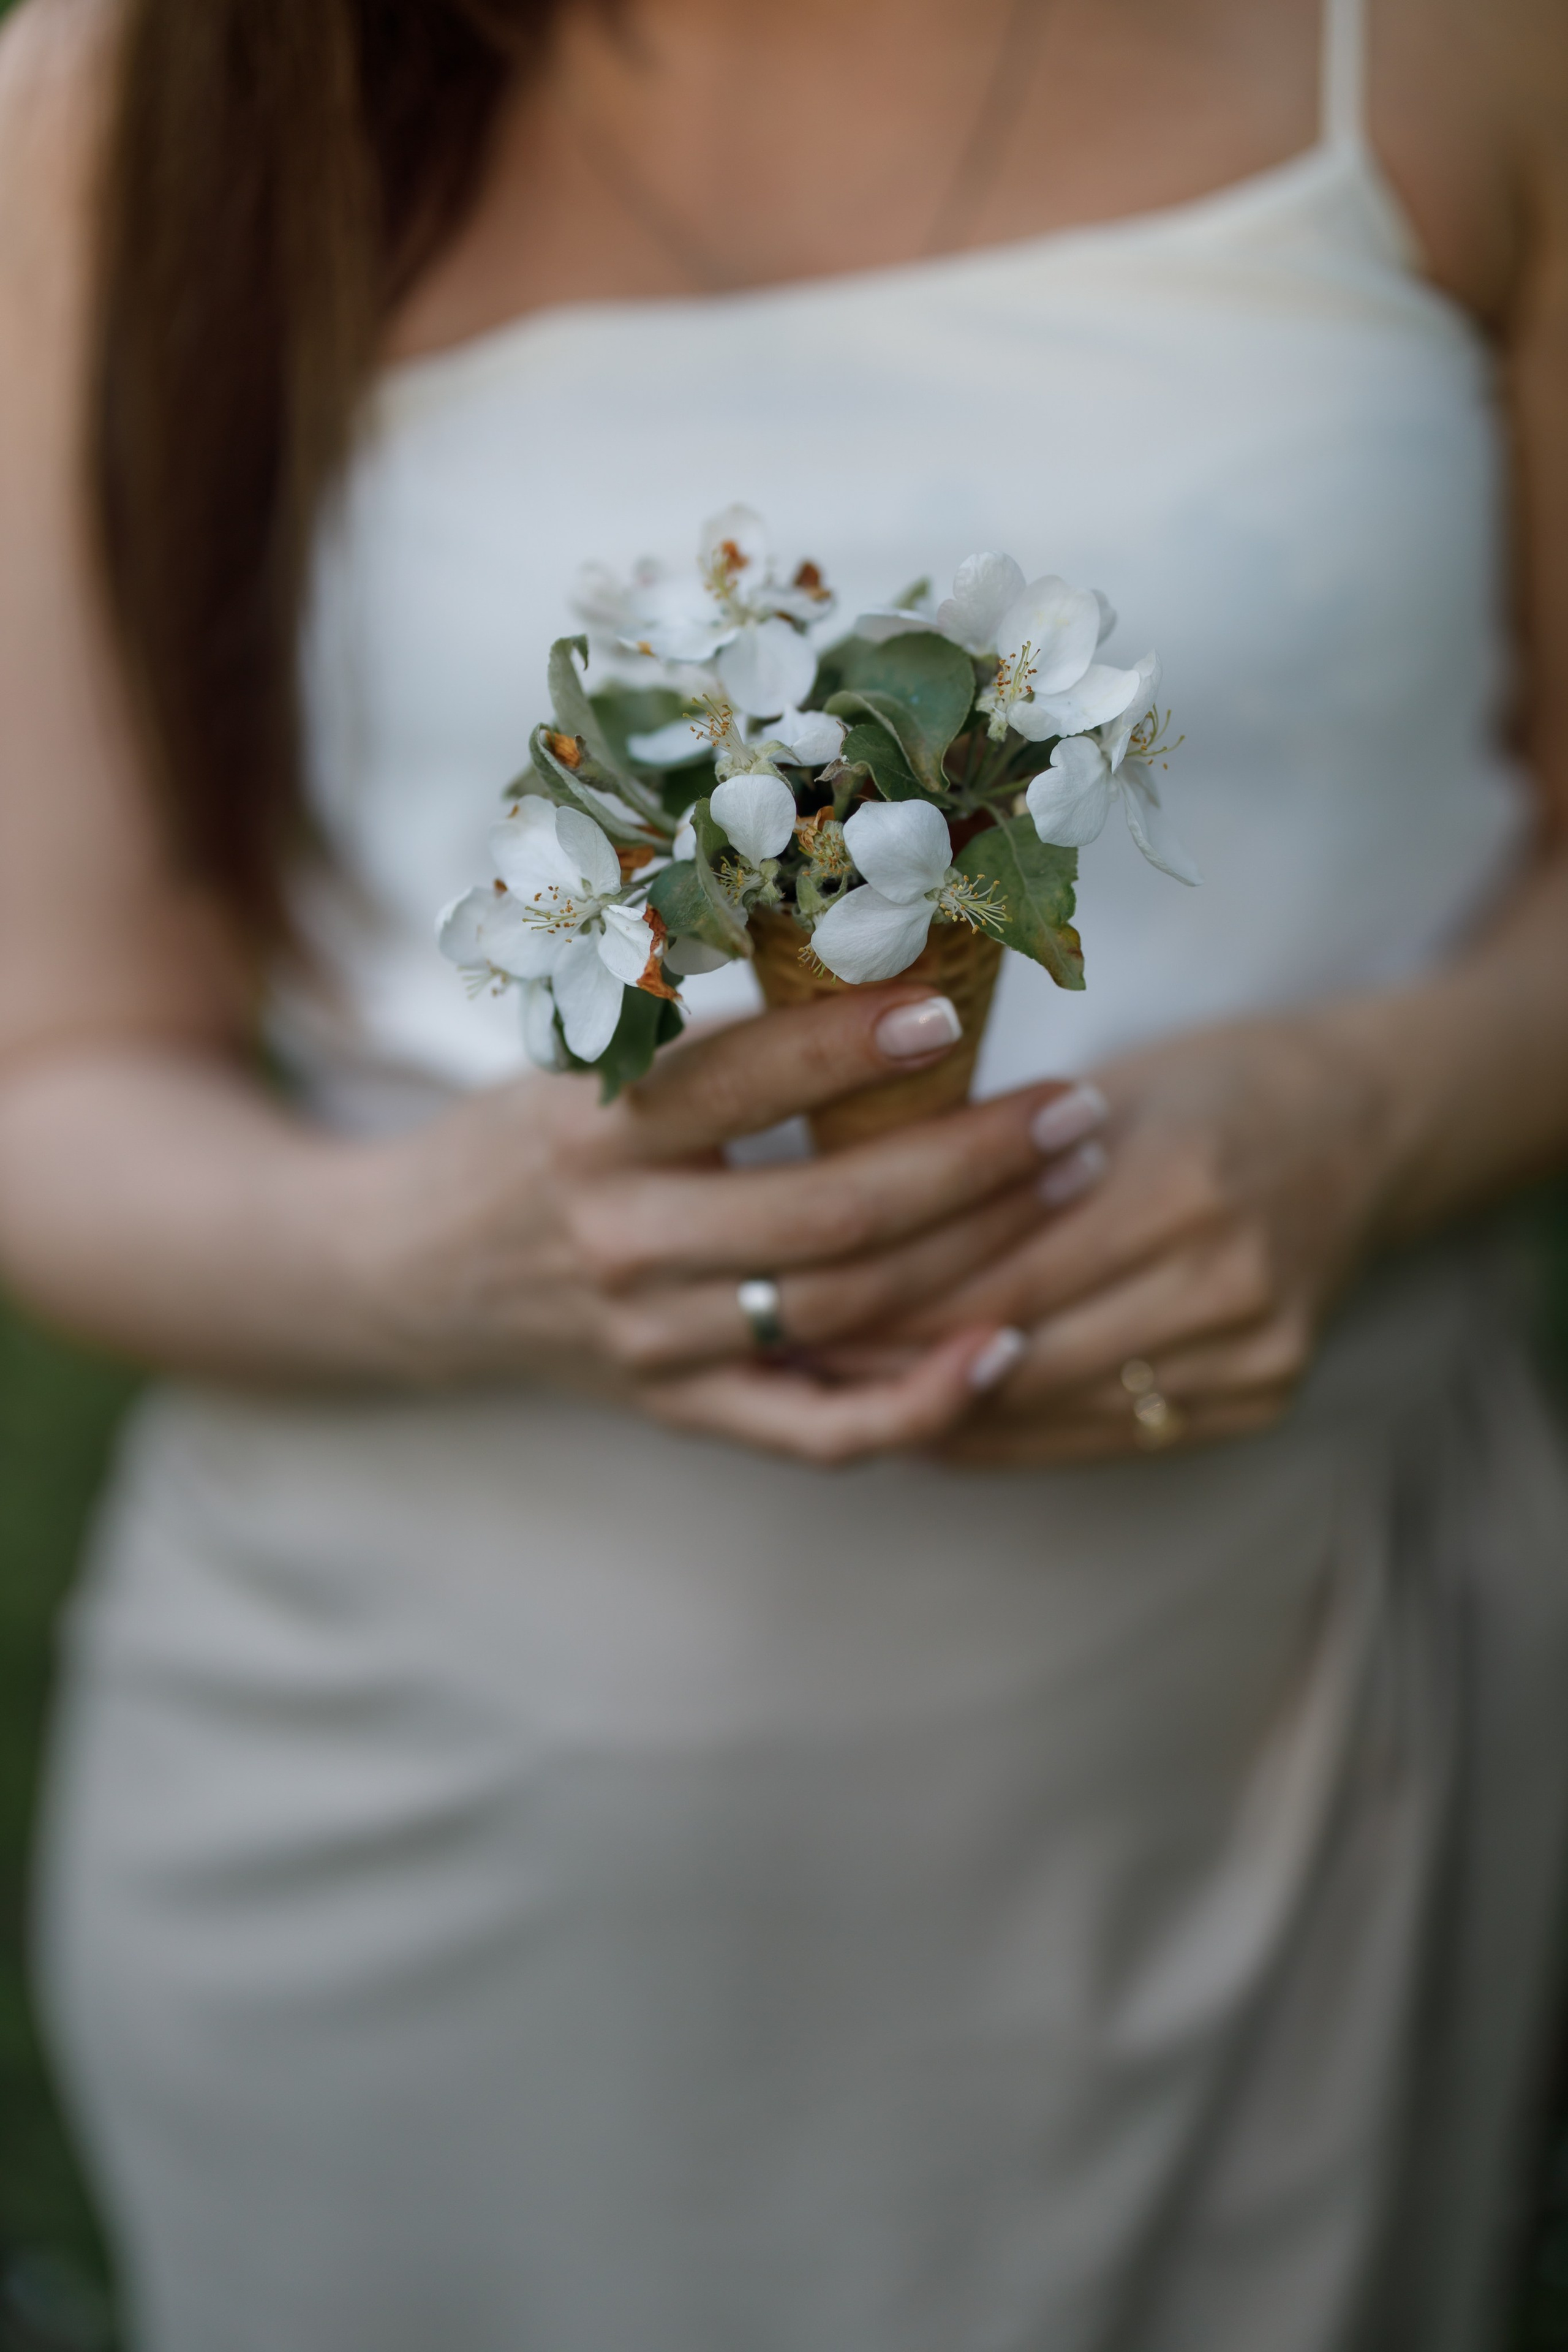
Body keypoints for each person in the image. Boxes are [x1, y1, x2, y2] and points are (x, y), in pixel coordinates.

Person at [1, 0, 1566, 2343]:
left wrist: (1369, 1121)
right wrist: (446, 1255)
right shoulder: (149, 90)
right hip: (433, 1824)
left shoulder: (1458, 46)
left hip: (1264, 1756)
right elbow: (50, 1066)